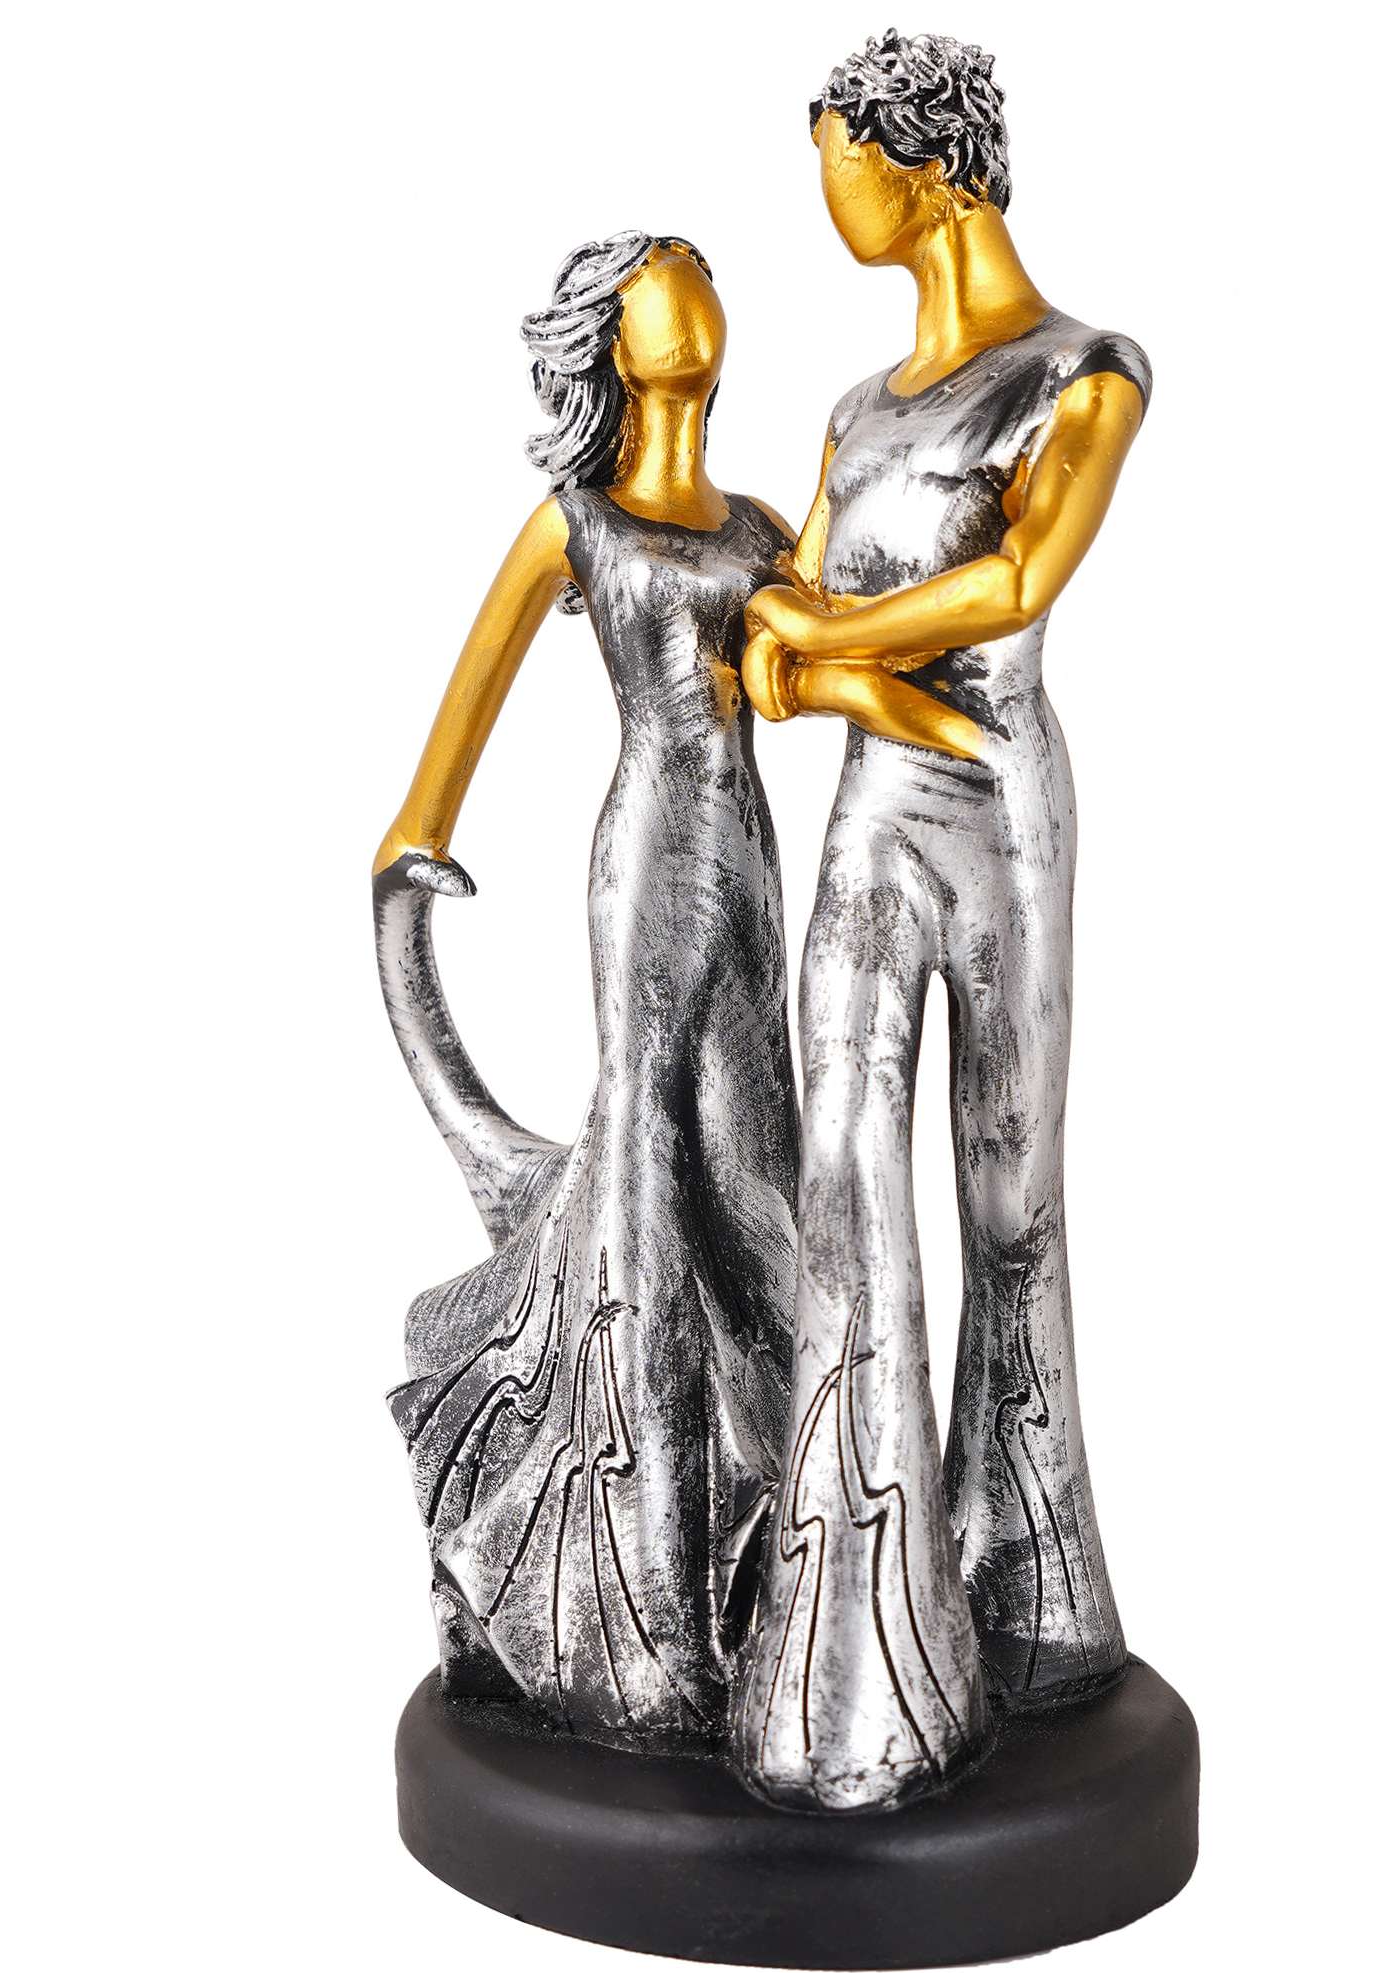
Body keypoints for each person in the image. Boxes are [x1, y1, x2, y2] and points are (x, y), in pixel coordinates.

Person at [371, 234, 975, 1750]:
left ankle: (787, 1529)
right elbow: (474, 691)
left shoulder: (764, 527)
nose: (692, 289)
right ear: (616, 339)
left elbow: (806, 669)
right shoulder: (578, 524)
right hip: (648, 861)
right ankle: (628, 1609)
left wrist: (941, 714)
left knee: (756, 1173)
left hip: (750, 860)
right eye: (659, 278)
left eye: (699, 272)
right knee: (645, 1164)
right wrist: (414, 835)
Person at [730, 32, 1155, 1811]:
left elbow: (1018, 579)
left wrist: (828, 642)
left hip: (1004, 820)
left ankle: (1034, 1602)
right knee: (840, 1181)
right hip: (875, 820)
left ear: (921, 167)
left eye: (837, 159)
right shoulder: (855, 412)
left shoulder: (1082, 374)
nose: (825, 195)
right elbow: (768, 647)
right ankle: (856, 1654)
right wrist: (834, 667)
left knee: (1009, 1207)